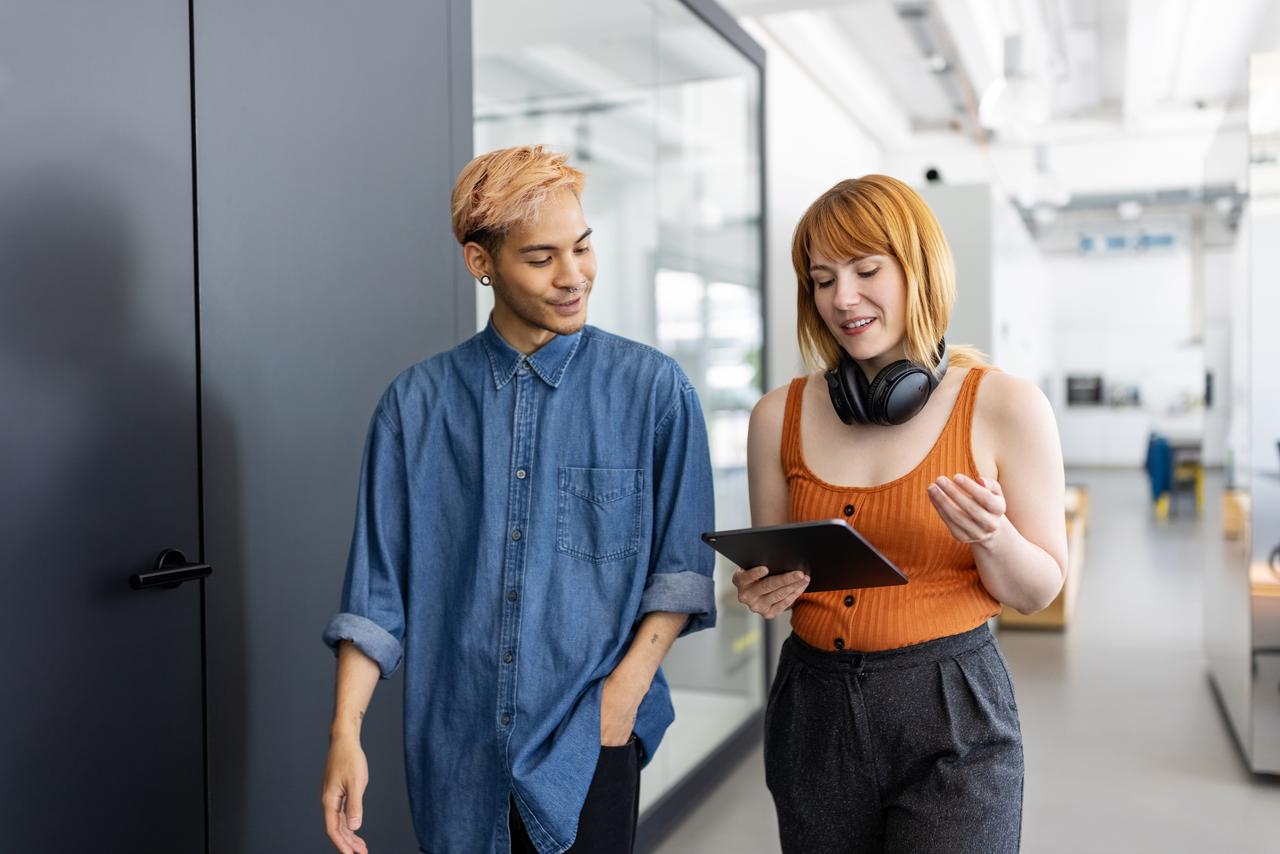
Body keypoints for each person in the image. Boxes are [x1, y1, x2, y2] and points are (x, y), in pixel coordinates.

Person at [320, 145, 716, 854]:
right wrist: (345, 733)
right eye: (541, 258)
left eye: (583, 247)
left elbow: (681, 572)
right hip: (454, 746)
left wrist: (623, 695)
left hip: (589, 738)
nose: (574, 276)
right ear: (482, 262)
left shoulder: (655, 391)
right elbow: (375, 595)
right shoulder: (414, 406)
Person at [735, 174, 1067, 853]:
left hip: (950, 703)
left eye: (866, 270)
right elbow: (776, 569)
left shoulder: (1005, 406)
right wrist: (763, 588)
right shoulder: (777, 416)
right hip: (813, 706)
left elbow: (1038, 592)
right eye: (822, 280)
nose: (842, 298)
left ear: (920, 270)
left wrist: (992, 535)